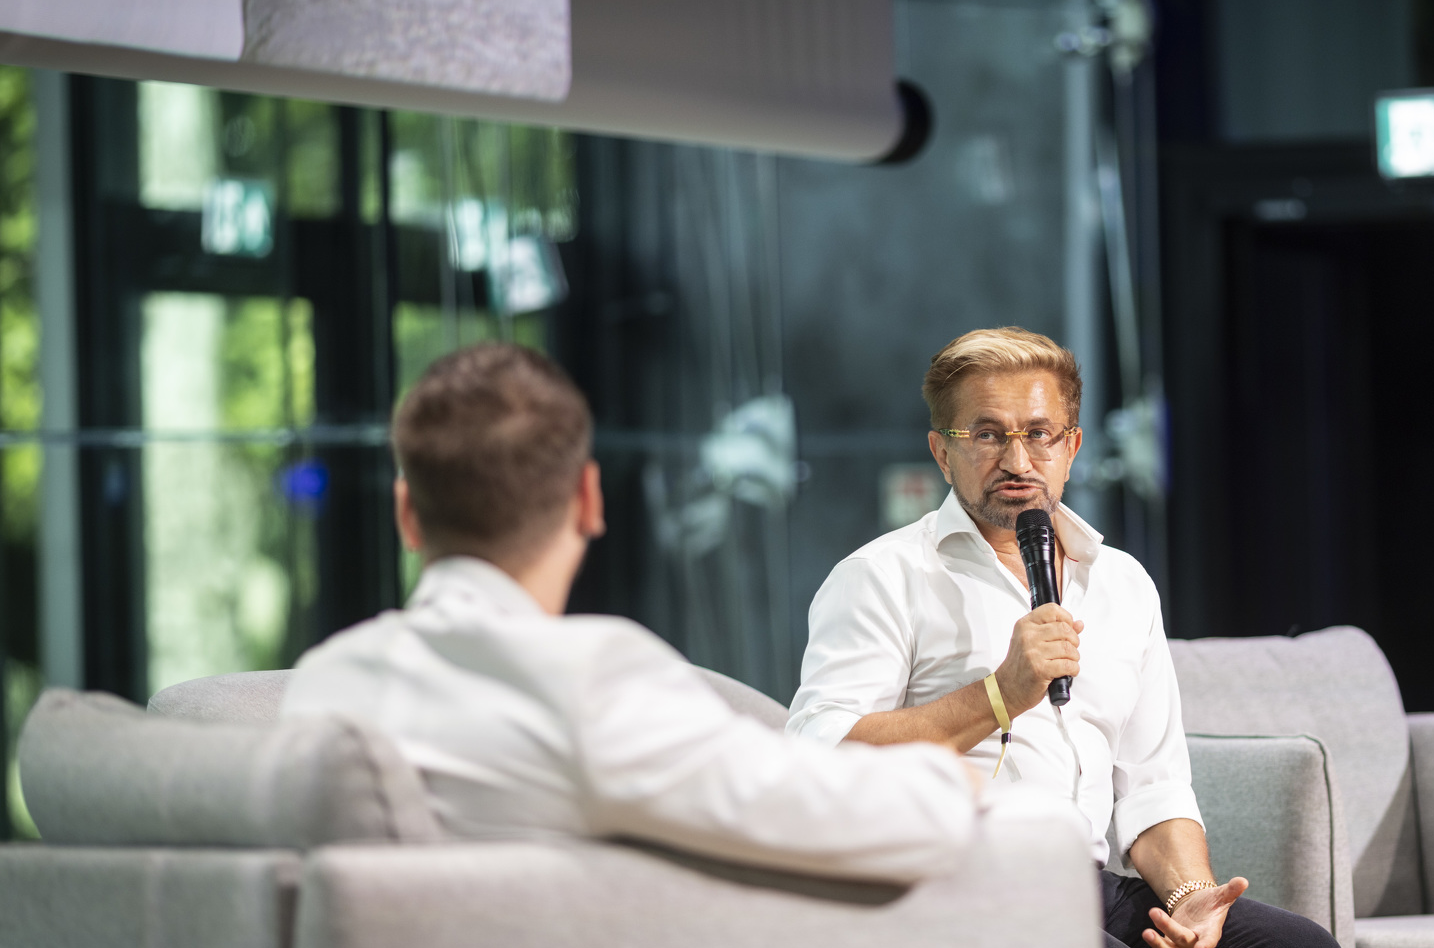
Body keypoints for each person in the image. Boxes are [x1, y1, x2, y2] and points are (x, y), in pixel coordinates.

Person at [788, 326, 1345, 948]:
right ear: (942, 451)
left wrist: (1190, 896)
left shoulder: (1122, 585)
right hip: (951, 889)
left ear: (1072, 445)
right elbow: (817, 759)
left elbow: (1152, 782)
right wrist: (1000, 693)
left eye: (1039, 433)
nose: (1017, 458)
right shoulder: (881, 577)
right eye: (987, 434)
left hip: (1081, 887)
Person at [283, 342, 976, 884]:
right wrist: (955, 775)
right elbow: (859, 819)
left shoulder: (324, 682)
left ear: (407, 513)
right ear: (589, 500)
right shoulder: (591, 683)